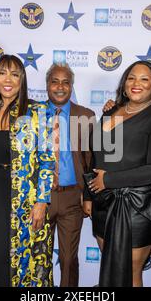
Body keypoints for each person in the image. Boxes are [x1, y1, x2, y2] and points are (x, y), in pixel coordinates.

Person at [86, 61, 151, 287]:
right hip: (103, 203)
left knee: (129, 273)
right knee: (110, 271)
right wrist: (88, 194)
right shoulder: (111, 111)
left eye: (144, 79)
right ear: (124, 83)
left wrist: (108, 180)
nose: (136, 83)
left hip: (138, 206)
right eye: (131, 78)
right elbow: (96, 156)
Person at [0, 55, 55, 287]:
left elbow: (47, 161)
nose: (8, 79)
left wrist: (42, 201)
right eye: (2, 73)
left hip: (23, 197)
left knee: (19, 261)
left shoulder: (38, 111)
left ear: (22, 80)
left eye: (14, 74)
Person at [45, 63, 95, 287]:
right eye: (55, 81)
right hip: (40, 198)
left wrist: (89, 196)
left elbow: (92, 160)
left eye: (66, 82)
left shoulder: (85, 116)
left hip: (72, 197)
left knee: (67, 259)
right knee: (39, 258)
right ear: (47, 85)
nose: (60, 87)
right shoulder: (32, 113)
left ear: (71, 86)